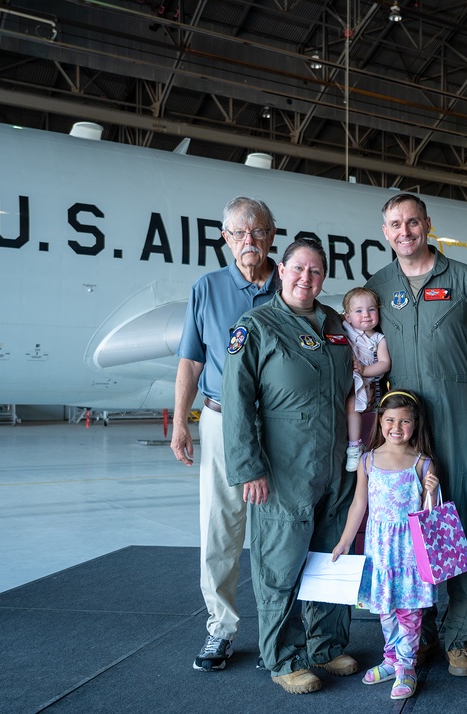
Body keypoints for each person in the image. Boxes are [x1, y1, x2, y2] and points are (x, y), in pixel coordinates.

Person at [365, 193, 467, 677]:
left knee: (456, 522)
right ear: (386, 231)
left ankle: (460, 635)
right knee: (407, 527)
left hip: (458, 415)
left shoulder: (463, 279)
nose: (404, 231)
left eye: (412, 222)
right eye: (395, 224)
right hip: (403, 426)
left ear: (428, 225)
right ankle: (414, 633)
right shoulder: (378, 286)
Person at [221, 237, 359, 695]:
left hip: (338, 464)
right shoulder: (256, 326)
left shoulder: (336, 325)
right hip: (284, 466)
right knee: (280, 562)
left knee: (331, 557)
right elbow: (237, 404)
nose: (306, 278)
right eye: (298, 269)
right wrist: (248, 467)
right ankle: (281, 656)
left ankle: (325, 645)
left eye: (316, 271)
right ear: (281, 270)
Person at [171, 196, 279, 672]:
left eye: (257, 231)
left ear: (272, 235)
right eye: (239, 233)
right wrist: (181, 421)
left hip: (281, 422)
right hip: (219, 420)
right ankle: (221, 629)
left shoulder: (293, 283)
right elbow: (191, 362)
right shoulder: (207, 288)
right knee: (220, 528)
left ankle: (282, 631)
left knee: (283, 527)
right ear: (225, 239)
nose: (248, 241)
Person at [331, 389, 439, 700]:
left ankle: (407, 666)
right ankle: (391, 659)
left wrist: (432, 490)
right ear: (380, 422)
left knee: (408, 609)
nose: (396, 427)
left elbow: (428, 516)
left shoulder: (422, 463)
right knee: (386, 608)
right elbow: (358, 505)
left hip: (409, 550)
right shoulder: (367, 460)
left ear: (415, 425)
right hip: (380, 549)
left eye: (405, 421)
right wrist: (344, 541)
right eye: (390, 420)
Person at [342, 287, 391, 471]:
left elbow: (385, 363)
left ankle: (355, 447)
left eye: (372, 309)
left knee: (353, 404)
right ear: (347, 317)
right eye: (359, 311)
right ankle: (353, 444)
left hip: (365, 382)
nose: (366, 315)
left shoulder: (379, 339)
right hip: (346, 379)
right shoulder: (345, 329)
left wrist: (365, 370)